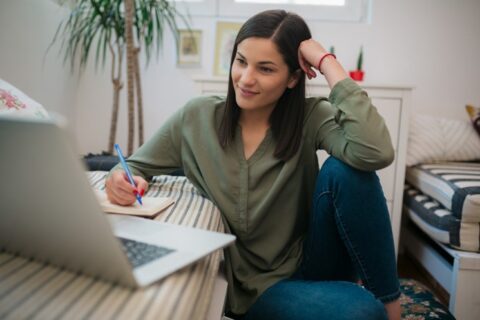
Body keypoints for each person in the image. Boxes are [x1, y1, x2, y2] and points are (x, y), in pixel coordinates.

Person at [106, 9, 401, 320]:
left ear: (292, 78)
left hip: (314, 259)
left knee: (347, 171)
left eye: (266, 69)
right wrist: (120, 180)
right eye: (241, 61)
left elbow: (375, 152)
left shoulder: (310, 116)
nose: (246, 79)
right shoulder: (197, 118)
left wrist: (326, 61)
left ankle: (393, 309)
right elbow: (133, 166)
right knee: (363, 312)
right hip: (261, 288)